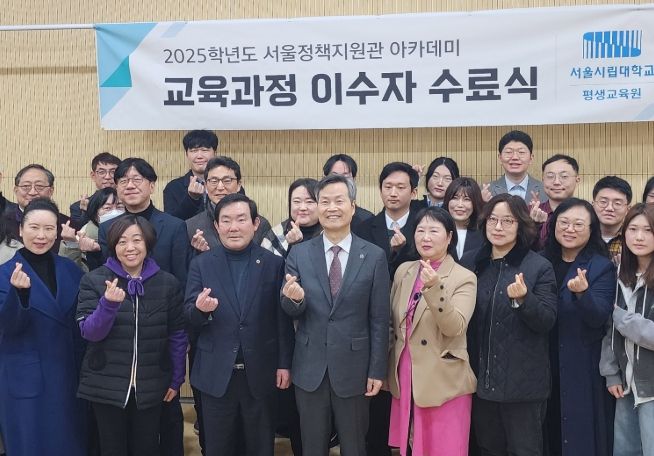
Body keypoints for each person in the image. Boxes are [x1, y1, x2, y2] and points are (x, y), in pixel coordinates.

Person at [281, 174, 390, 456]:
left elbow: (380, 319)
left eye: (339, 201)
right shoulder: (299, 254)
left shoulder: (374, 256)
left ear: (352, 206)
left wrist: (377, 369)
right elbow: (289, 309)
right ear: (318, 207)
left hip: (355, 368)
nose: (331, 208)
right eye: (325, 202)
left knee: (354, 446)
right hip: (310, 367)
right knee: (312, 446)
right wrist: (295, 300)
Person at [185, 193, 294, 456]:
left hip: (261, 372)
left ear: (255, 224)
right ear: (216, 226)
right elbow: (187, 317)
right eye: (226, 220)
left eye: (241, 219)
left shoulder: (274, 264)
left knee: (260, 447)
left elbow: (282, 319)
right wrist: (199, 310)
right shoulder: (201, 264)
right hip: (215, 374)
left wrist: (284, 364)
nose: (233, 227)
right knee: (218, 447)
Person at [97, 157, 190, 456]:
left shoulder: (174, 226)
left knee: (166, 409)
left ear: (152, 185)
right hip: (121, 330)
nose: (130, 185)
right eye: (123, 180)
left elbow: (181, 277)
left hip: (161, 329)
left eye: (138, 179)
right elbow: (106, 275)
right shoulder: (107, 226)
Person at [77, 215, 187, 456]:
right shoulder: (94, 280)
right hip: (105, 384)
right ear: (113, 245)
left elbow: (177, 335)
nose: (130, 247)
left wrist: (176, 378)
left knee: (147, 447)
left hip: (152, 383)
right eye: (122, 241)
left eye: (137, 240)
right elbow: (90, 333)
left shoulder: (167, 283)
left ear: (148, 243)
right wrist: (108, 305)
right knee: (111, 448)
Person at [461, 193, 557, 456]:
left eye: (507, 221)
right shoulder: (471, 262)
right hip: (481, 382)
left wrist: (524, 300)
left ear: (521, 225)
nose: (498, 227)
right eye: (493, 220)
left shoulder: (538, 266)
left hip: (523, 387)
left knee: (524, 450)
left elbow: (547, 321)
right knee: (487, 448)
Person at [387, 206, 477, 456]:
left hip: (443, 379)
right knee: (410, 444)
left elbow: (455, 326)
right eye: (420, 230)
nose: (425, 237)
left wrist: (435, 287)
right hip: (406, 372)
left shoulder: (463, 277)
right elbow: (392, 322)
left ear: (449, 237)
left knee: (444, 447)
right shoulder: (404, 271)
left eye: (434, 231)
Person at [0, 198, 86, 456]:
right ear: (21, 229)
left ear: (57, 232)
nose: (41, 236)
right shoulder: (4, 274)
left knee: (70, 442)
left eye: (49, 229)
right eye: (34, 227)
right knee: (30, 444)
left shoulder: (70, 270)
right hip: (25, 377)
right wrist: (20, 294)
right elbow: (8, 328)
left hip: (68, 374)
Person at [542, 198, 616, 456]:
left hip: (582, 364)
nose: (569, 229)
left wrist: (583, 294)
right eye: (564, 222)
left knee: (580, 435)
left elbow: (599, 317)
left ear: (591, 229)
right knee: (547, 431)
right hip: (542, 362)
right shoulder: (540, 262)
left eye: (578, 224)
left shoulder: (601, 266)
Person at [600, 203, 654, 456]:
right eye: (633, 229)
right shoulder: (619, 273)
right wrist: (611, 373)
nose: (639, 237)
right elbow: (609, 330)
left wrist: (621, 317)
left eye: (648, 230)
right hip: (625, 385)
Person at [186, 156, 272, 253]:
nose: (220, 187)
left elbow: (266, 259)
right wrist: (200, 255)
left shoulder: (260, 224)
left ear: (239, 185)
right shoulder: (191, 226)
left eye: (227, 181)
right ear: (205, 186)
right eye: (214, 181)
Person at [354, 162, 421, 277]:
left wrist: (401, 251)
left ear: (413, 193)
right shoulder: (363, 229)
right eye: (388, 187)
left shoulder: (422, 227)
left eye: (400, 187)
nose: (393, 193)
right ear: (380, 191)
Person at [4, 164, 70, 252]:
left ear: (51, 191)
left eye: (39, 186)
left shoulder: (69, 226)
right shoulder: (2, 222)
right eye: (26, 186)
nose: (32, 192)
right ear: (16, 190)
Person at [60, 187, 123, 271]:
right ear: (95, 214)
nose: (115, 212)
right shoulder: (86, 235)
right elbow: (76, 271)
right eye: (107, 208)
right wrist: (71, 244)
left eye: (119, 207)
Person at [164, 129, 218, 220]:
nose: (199, 156)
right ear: (186, 154)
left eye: (204, 150)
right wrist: (191, 199)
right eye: (193, 151)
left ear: (214, 152)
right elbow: (171, 223)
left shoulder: (228, 184)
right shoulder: (173, 187)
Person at [261, 178, 321, 258]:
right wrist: (293, 246)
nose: (302, 208)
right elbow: (265, 263)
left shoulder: (328, 233)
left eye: (309, 202)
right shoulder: (276, 235)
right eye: (296, 201)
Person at [531, 154, 581, 250]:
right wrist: (534, 226)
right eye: (550, 176)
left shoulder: (586, 214)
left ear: (577, 180)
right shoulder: (530, 212)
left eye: (564, 176)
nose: (556, 182)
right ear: (543, 180)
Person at [486, 130, 547, 204]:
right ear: (500, 158)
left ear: (531, 158)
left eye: (521, 152)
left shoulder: (546, 190)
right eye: (508, 152)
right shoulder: (487, 191)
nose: (515, 157)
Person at [69, 152, 121, 230]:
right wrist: (85, 212)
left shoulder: (128, 202)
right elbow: (77, 232)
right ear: (93, 176)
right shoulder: (77, 207)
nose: (107, 177)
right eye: (102, 172)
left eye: (113, 172)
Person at [322, 153, 374, 228]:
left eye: (345, 176)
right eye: (334, 176)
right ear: (324, 178)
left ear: (354, 179)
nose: (340, 181)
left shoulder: (367, 219)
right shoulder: (317, 216)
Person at [592, 176, 632, 263]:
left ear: (628, 209)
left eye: (617, 203)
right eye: (603, 202)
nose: (609, 208)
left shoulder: (632, 238)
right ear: (593, 204)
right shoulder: (582, 235)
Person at [442, 177, 484, 259]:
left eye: (467, 199)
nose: (460, 205)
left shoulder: (483, 233)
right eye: (455, 198)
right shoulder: (439, 231)